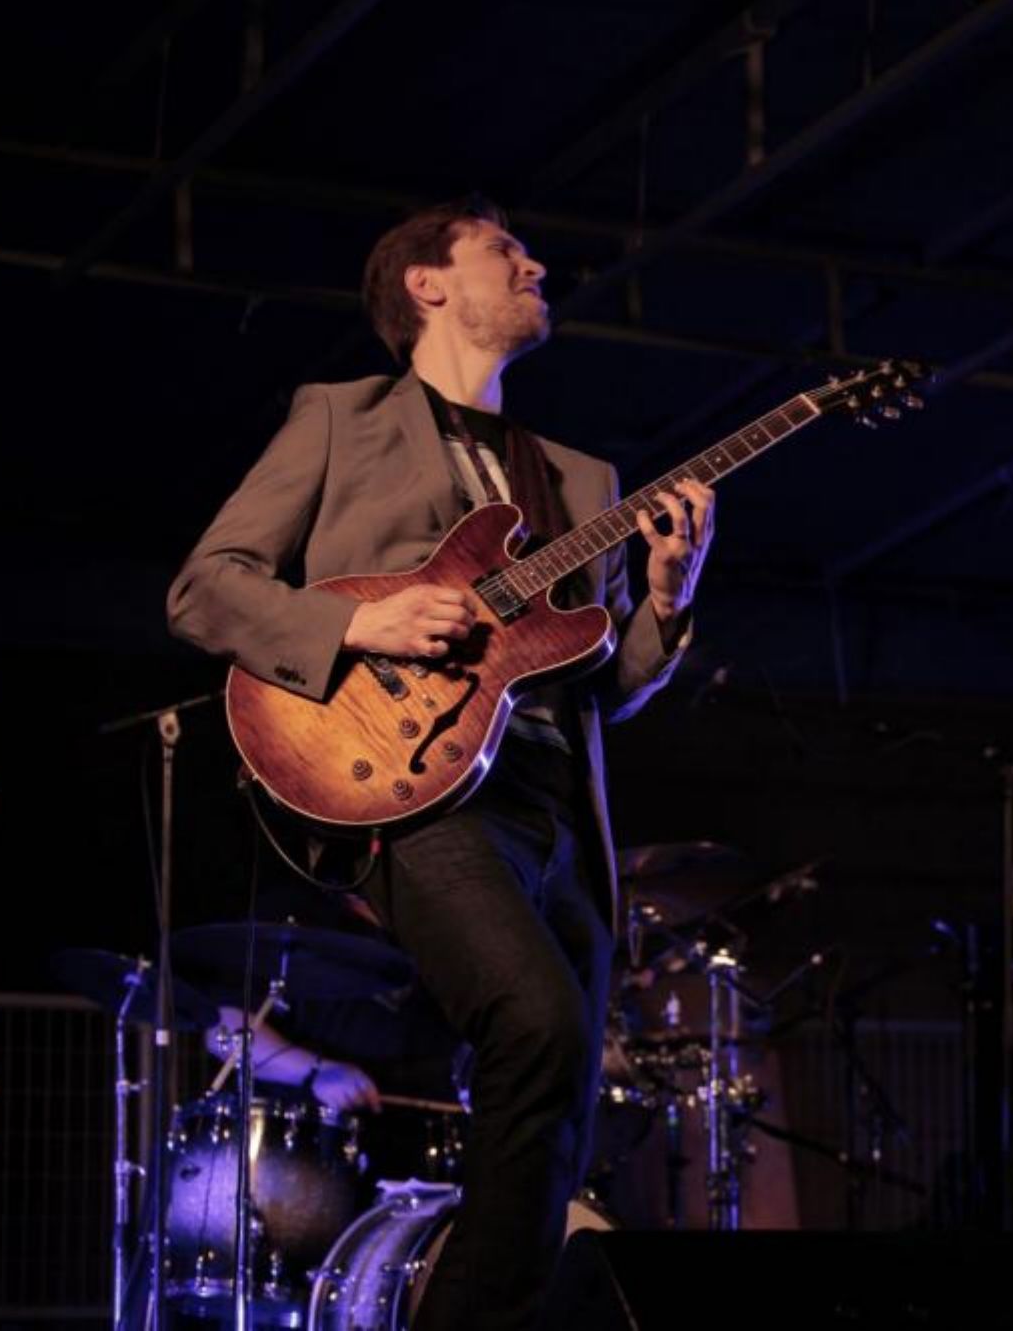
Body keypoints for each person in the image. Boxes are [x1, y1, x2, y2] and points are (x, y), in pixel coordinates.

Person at [168, 196, 710, 1330]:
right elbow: (206, 588)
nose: (536, 264)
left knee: (561, 1097)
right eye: (504, 250)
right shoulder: (340, 418)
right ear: (427, 284)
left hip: (557, 803)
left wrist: (665, 602)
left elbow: (607, 683)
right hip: (407, 779)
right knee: (537, 1021)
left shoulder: (581, 479)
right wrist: (360, 623)